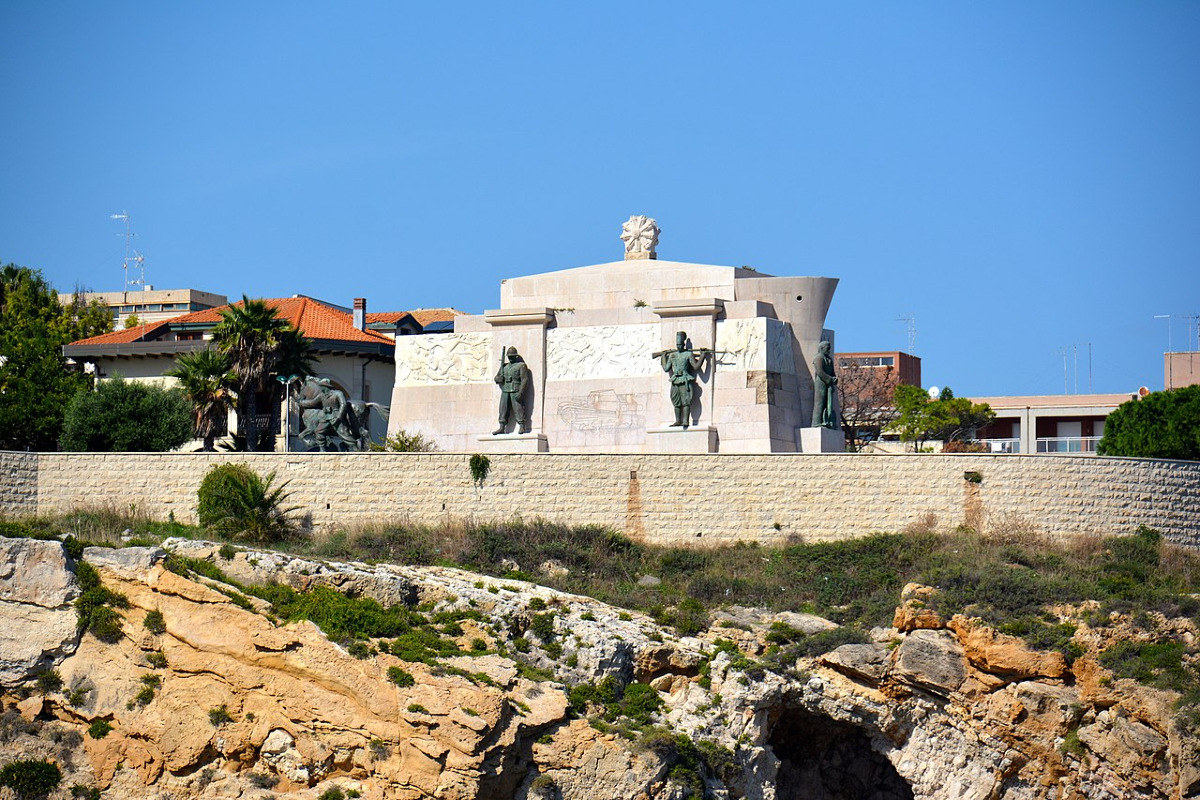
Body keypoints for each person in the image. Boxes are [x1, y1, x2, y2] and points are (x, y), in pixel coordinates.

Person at [660, 331, 707, 429]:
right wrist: (663, 357)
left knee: (686, 401)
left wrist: (702, 356)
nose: (678, 346)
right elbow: (666, 368)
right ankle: (678, 420)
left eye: (680, 344)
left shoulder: (688, 354)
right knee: (676, 400)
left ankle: (685, 420)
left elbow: (695, 366)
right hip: (675, 380)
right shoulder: (672, 355)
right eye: (677, 345)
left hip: (685, 379)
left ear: (684, 344)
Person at [493, 346, 532, 434]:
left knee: (518, 408)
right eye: (509, 356)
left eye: (512, 356)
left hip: (515, 389)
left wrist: (521, 392)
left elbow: (525, 380)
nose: (510, 358)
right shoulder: (504, 366)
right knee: (503, 409)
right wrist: (499, 379)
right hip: (505, 389)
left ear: (516, 356)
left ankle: (522, 426)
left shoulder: (521, 365)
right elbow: (496, 377)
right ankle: (502, 427)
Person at [811, 340, 839, 429]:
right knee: (820, 402)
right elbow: (820, 371)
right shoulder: (818, 357)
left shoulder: (829, 359)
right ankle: (817, 422)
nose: (829, 350)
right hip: (821, 382)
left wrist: (834, 378)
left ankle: (826, 421)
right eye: (827, 348)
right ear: (822, 348)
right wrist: (829, 379)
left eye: (829, 349)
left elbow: (832, 371)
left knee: (828, 403)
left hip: (829, 383)